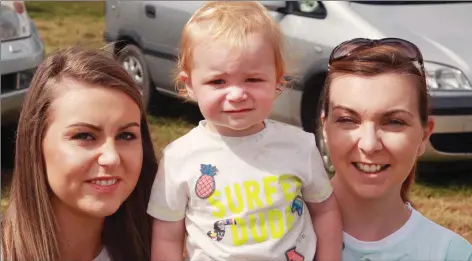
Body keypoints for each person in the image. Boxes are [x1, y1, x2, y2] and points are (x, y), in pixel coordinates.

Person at [147, 2, 342, 261]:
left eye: (253, 79)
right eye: (218, 81)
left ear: (277, 80)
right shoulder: (178, 159)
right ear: (190, 85)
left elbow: (325, 211)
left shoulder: (300, 146)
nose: (237, 94)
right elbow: (167, 235)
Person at [320, 37, 472, 261]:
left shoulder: (451, 255)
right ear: (324, 127)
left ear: (424, 135)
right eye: (347, 119)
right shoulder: (274, 233)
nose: (369, 144)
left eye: (394, 122)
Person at [1, 46, 158, 261]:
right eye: (85, 136)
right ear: (35, 143)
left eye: (126, 136)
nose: (111, 157)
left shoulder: (167, 248)